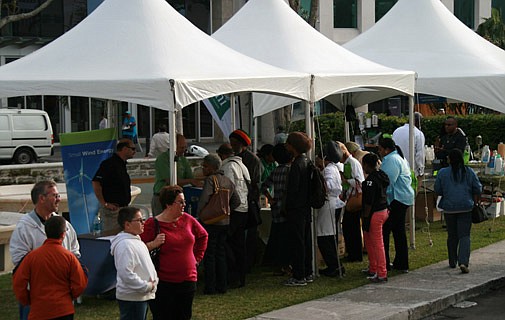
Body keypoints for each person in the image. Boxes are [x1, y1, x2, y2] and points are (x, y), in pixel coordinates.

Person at [9, 180, 81, 320]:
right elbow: (20, 263)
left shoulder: (65, 225)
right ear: (41, 198)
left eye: (58, 195)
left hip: (62, 297)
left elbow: (75, 252)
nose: (59, 199)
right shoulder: (24, 228)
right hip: (36, 299)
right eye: (54, 195)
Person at [141, 185, 208, 320]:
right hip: (164, 281)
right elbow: (139, 249)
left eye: (184, 201)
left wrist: (196, 258)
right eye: (181, 202)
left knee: (184, 315)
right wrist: (153, 244)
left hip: (188, 279)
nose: (184, 205)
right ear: (168, 204)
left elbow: (203, 236)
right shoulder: (152, 224)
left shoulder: (188, 219)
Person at [12, 216, 88, 320]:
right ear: (63, 234)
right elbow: (80, 282)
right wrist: (69, 296)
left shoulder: (31, 257)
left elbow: (18, 282)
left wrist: (27, 300)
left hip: (38, 310)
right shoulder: (69, 257)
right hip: (64, 309)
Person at [198, 154, 240, 294]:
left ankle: (210, 286)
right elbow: (236, 201)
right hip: (224, 221)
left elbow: (204, 199)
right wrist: (226, 209)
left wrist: (201, 214)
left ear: (211, 168)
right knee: (221, 253)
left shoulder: (211, 180)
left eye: (205, 166)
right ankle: (222, 285)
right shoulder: (227, 180)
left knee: (210, 254)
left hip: (211, 221)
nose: (203, 169)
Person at [435, 149, 482, 274]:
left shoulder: (442, 172)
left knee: (452, 235)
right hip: (466, 206)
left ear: (449, 159)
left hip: (449, 208)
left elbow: (438, 190)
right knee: (464, 235)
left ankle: (452, 261)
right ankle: (463, 261)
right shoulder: (469, 172)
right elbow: (478, 188)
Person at [111, 207, 158, 320]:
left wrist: (154, 281)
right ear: (127, 224)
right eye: (140, 220)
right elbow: (126, 273)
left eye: (143, 219)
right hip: (132, 297)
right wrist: (145, 286)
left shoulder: (137, 241)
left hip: (141, 296)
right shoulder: (125, 245)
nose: (143, 223)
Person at [216, 143, 251, 288]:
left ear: (222, 155)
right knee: (239, 244)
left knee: (228, 243)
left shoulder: (228, 167)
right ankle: (240, 276)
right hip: (243, 207)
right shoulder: (242, 165)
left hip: (234, 209)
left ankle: (233, 275)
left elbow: (227, 189)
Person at [378, 137, 415, 273]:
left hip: (397, 199)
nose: (379, 151)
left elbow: (387, 182)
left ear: (386, 149)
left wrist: (382, 200)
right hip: (402, 197)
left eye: (380, 149)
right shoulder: (399, 157)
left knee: (386, 231)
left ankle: (385, 263)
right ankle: (400, 263)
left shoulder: (391, 160)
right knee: (398, 232)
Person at [229, 129, 262, 272]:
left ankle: (248, 264)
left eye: (234, 143)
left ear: (242, 144)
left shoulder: (252, 160)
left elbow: (254, 184)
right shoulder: (234, 158)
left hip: (249, 203)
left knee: (249, 236)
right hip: (238, 203)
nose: (232, 146)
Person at [283, 132, 313, 286]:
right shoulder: (306, 161)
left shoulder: (296, 164)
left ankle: (299, 275)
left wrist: (287, 206)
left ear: (292, 146)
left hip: (296, 208)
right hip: (305, 207)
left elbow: (293, 189)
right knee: (305, 240)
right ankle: (307, 271)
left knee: (298, 242)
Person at [261, 143, 292, 276]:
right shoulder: (290, 171)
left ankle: (277, 265)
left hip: (275, 208)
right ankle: (285, 265)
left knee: (277, 238)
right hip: (286, 209)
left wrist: (271, 199)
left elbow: (264, 186)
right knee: (286, 239)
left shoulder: (276, 170)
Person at [151, 133, 202, 215]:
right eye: (181, 147)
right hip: (161, 198)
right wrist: (190, 180)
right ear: (173, 146)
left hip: (176, 198)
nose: (184, 150)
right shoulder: (162, 159)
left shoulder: (183, 159)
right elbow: (171, 181)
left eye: (185, 147)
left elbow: (190, 177)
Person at [92, 138, 136, 231]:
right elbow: (96, 182)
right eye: (132, 149)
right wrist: (104, 203)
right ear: (124, 149)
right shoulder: (109, 164)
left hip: (123, 209)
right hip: (113, 210)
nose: (134, 152)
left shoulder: (122, 164)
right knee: (112, 236)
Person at [316, 152, 346, 277]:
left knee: (324, 236)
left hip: (329, 202)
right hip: (333, 202)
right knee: (328, 235)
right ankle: (335, 265)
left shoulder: (329, 170)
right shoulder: (333, 168)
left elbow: (329, 185)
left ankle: (334, 266)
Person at [361, 153, 390, 283]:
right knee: (370, 241)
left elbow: (368, 202)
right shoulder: (381, 175)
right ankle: (373, 268)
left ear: (367, 165)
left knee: (377, 243)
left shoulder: (370, 181)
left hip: (375, 213)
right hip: (384, 209)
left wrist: (366, 217)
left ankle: (381, 272)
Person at [337, 141, 365, 262]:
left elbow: (359, 182)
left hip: (354, 198)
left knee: (352, 227)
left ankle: (355, 254)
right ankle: (352, 252)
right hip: (349, 197)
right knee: (349, 227)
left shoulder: (353, 163)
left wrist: (346, 180)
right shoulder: (347, 163)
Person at [392, 112, 426, 186]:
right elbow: (420, 155)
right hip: (411, 170)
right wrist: (421, 171)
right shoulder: (418, 133)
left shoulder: (396, 131)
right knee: (412, 194)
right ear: (418, 122)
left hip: (396, 168)